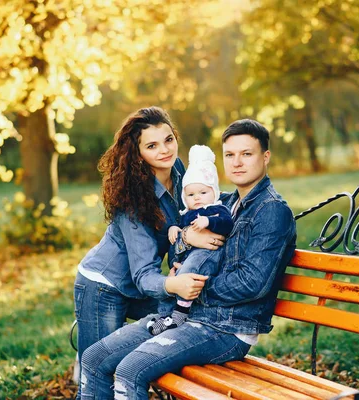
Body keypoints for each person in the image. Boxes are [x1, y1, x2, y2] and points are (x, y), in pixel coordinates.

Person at [80, 119, 297, 400]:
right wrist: (183, 250)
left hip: (226, 328)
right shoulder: (225, 202)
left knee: (130, 370)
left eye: (247, 154)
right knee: (94, 358)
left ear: (265, 157)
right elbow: (186, 240)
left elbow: (253, 283)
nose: (237, 162)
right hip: (184, 317)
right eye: (230, 155)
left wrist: (193, 286)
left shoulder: (271, 211)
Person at [73, 107, 221, 398]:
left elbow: (192, 213)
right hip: (104, 286)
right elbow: (142, 275)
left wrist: (191, 238)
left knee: (180, 322)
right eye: (152, 146)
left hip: (141, 287)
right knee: (99, 372)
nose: (164, 150)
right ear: (138, 153)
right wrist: (173, 283)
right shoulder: (132, 199)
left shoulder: (179, 171)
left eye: (168, 139)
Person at [147, 144, 233, 335]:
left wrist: (208, 221)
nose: (197, 198)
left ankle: (180, 314)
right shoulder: (187, 214)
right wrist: (176, 229)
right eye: (191, 194)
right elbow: (183, 233)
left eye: (203, 193)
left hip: (208, 256)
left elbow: (227, 224)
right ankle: (165, 316)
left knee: (190, 267)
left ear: (214, 192)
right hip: (188, 260)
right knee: (173, 280)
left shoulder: (217, 209)